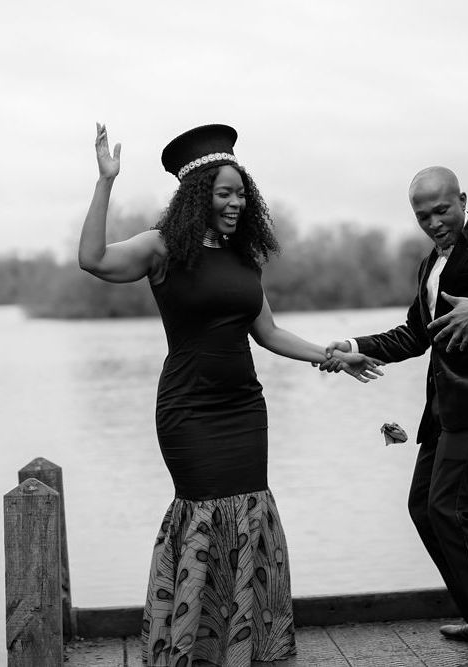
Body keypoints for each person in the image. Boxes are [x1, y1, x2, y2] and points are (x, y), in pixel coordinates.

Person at [78, 122, 382, 667]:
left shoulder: (245, 258)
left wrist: (334, 356)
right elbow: (93, 260)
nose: (237, 202)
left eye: (242, 192)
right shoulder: (161, 247)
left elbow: (268, 333)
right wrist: (106, 182)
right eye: (224, 193)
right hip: (189, 410)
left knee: (249, 519)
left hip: (245, 409)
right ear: (199, 195)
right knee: (203, 516)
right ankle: (190, 648)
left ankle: (245, 648)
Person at [321, 166, 468, 667]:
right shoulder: (431, 264)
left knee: (450, 511)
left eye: (441, 210)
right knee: (423, 508)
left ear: (462, 200)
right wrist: (351, 346)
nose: (433, 222)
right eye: (422, 214)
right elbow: (415, 334)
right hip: (448, 407)